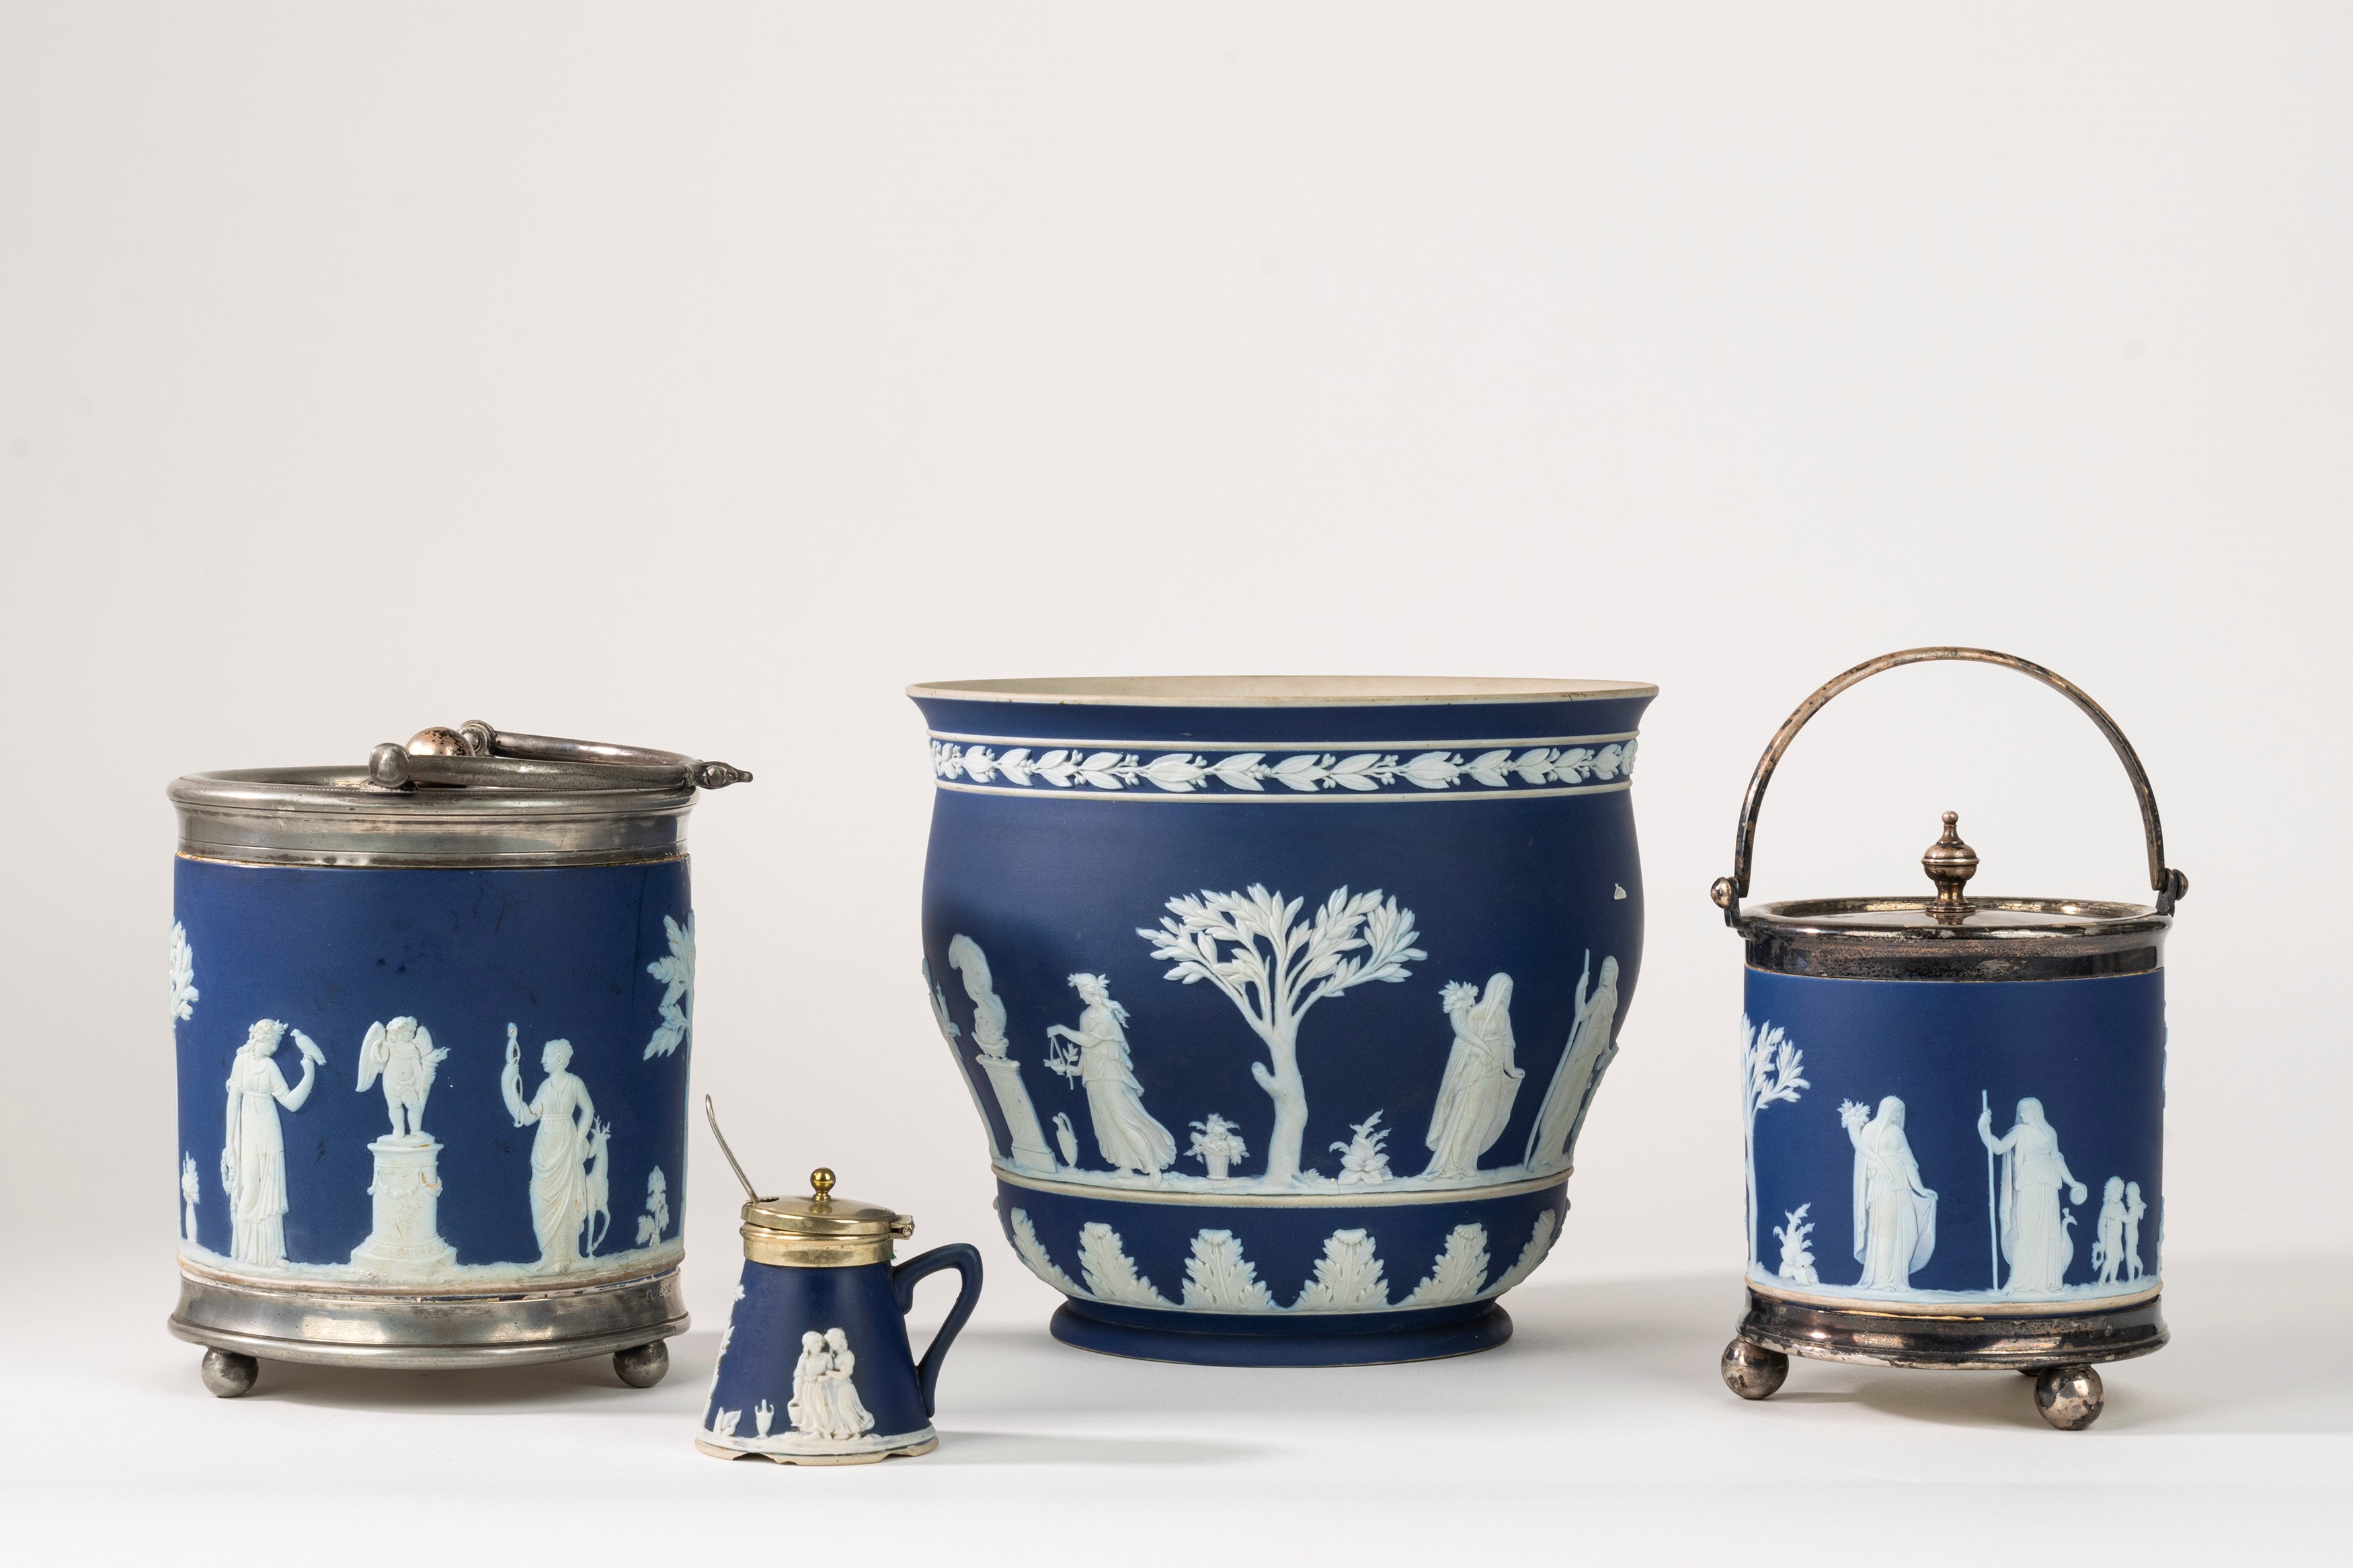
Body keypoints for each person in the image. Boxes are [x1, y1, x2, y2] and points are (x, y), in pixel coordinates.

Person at [1044, 975, 1176, 1179]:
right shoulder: (1085, 1016)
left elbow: (1089, 1041)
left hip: (1112, 1077)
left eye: (1082, 991)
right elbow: (1087, 1051)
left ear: (1091, 991)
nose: (1081, 996)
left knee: (1123, 1122)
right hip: (1094, 1078)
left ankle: (1153, 1169)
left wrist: (1061, 1030)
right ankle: (1126, 1167)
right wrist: (1072, 1069)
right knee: (1107, 1125)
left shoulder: (1106, 1019)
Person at [502, 1026, 600, 1269]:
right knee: (540, 1197)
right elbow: (528, 1116)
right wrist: (508, 1083)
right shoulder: (545, 1087)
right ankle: (548, 1255)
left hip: (566, 1143)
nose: (542, 1060)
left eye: (547, 1056)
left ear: (559, 1059)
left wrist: (579, 1139)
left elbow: (588, 1110)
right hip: (546, 1146)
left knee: (567, 1201)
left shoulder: (574, 1083)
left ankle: (564, 1257)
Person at [1978, 1097, 2089, 1295]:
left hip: (2048, 1187)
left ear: (2036, 1111)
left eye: (2025, 1110)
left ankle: (2048, 1283)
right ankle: (2016, 1281)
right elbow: (1999, 1148)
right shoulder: (2020, 1131)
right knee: (2028, 1233)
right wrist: (1983, 1128)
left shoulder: (2049, 1132)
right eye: (2020, 1111)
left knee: (2048, 1233)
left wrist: (2073, 1183)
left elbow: (2057, 1158)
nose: (2021, 1114)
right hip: (2029, 1185)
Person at [1523, 953, 1621, 1173]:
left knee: (1571, 1105)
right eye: (1604, 971)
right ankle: (1542, 1154)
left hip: (1589, 1058)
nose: (1605, 975)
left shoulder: (1611, 999)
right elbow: (1583, 1013)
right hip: (1580, 1057)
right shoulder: (1600, 995)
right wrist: (1581, 990)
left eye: (1609, 971)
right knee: (1564, 1102)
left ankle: (1552, 1152)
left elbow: (1606, 1028)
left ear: (1615, 976)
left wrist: (1605, 1052)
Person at [1422, 975, 1525, 1179]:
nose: (1506, 995)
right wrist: (1480, 1052)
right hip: (1477, 1074)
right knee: (1468, 1118)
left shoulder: (1503, 1014)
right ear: (1494, 990)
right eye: (1504, 990)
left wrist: (1511, 1069)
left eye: (1509, 991)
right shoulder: (1477, 1013)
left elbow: (1507, 1044)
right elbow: (1464, 1042)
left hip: (1494, 1073)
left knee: (1482, 1120)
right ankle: (1452, 1165)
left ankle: (1467, 1164)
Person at [1842, 1097, 1937, 1290]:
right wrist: (1878, 1166)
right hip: (1882, 1188)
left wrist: (1920, 1188)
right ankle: (1882, 1280)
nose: (1898, 1115)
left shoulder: (1898, 1133)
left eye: (1900, 1111)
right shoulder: (1870, 1130)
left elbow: (1909, 1162)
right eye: (1895, 1110)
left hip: (1902, 1188)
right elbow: (1863, 1160)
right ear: (1886, 1110)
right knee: (1886, 1232)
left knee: (1909, 1232)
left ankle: (1897, 1279)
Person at [2092, 1176, 2128, 1284]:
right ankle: (2102, 1280)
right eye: (2116, 1192)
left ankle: (2112, 1279)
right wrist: (2103, 1242)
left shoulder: (2121, 1205)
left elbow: (2127, 1218)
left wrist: (2123, 1217)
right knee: (2110, 1259)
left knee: (2117, 1260)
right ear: (2110, 1192)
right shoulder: (2107, 1207)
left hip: (2118, 1239)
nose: (2119, 1195)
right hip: (2110, 1238)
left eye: (2120, 1193)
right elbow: (2101, 1225)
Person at [2124, 1181, 2149, 1282]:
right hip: (2133, 1236)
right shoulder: (2136, 1208)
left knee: (2129, 1256)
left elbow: (2129, 1220)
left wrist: (2120, 1216)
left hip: (2132, 1237)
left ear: (2135, 1197)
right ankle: (2140, 1267)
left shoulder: (2134, 1209)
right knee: (2132, 1255)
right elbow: (2141, 1215)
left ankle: (2131, 1280)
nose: (2127, 1200)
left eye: (2129, 1197)